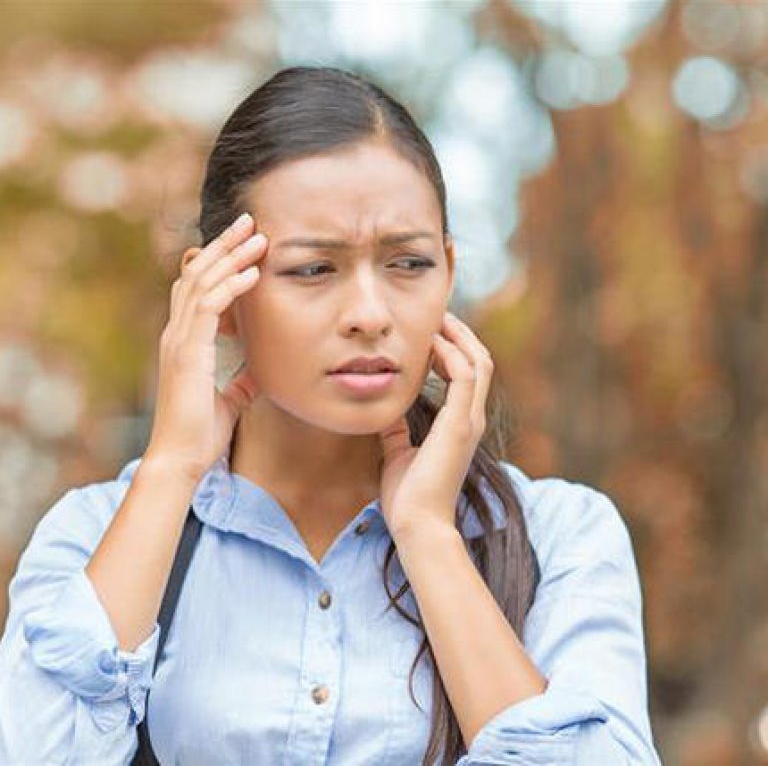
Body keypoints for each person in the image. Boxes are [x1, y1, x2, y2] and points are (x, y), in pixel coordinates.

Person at [0, 65, 663, 765]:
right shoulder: (94, 535)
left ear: (449, 274)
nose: (371, 316)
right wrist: (170, 470)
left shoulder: (558, 538)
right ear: (218, 295)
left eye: (407, 264)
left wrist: (428, 535)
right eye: (314, 270)